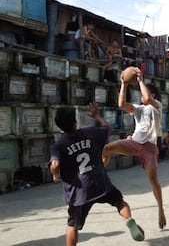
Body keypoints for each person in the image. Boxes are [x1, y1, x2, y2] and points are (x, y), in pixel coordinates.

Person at [49, 103, 144, 246]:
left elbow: (55, 165)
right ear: (75, 122)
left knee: (73, 224)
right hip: (100, 183)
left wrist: (56, 174)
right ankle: (129, 220)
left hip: (79, 193)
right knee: (119, 202)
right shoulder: (90, 132)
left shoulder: (59, 145)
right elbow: (109, 129)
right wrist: (97, 115)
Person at [102, 67, 167, 229]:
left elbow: (146, 97)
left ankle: (160, 209)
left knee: (153, 180)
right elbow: (121, 104)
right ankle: (99, 173)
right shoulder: (138, 109)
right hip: (134, 142)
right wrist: (123, 83)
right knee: (107, 149)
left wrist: (139, 81)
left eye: (146, 93)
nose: (141, 96)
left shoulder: (157, 106)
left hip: (149, 148)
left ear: (154, 95)